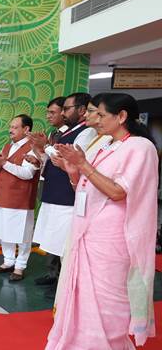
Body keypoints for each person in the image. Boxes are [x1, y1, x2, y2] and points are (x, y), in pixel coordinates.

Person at [46, 93, 158, 349]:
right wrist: (74, 172)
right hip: (87, 231)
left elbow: (118, 192)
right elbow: (87, 189)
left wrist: (83, 165)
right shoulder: (105, 143)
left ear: (121, 117)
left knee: (108, 303)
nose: (93, 118)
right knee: (80, 298)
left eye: (100, 114)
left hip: (113, 238)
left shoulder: (140, 147)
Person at [29, 93, 95, 294]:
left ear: (81, 110)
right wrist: (41, 154)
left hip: (67, 195)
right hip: (54, 192)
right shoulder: (69, 131)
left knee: (64, 242)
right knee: (54, 240)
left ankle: (65, 286)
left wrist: (45, 148)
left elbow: (69, 158)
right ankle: (56, 278)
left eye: (66, 109)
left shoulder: (86, 132)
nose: (64, 113)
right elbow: (55, 160)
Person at [0, 114, 40, 281]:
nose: (10, 130)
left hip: (20, 199)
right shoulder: (8, 146)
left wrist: (4, 164)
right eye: (10, 126)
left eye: (15, 127)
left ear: (26, 129)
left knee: (22, 235)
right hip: (2, 196)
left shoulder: (34, 148)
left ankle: (20, 266)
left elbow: (27, 173)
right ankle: (8, 261)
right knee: (4, 231)